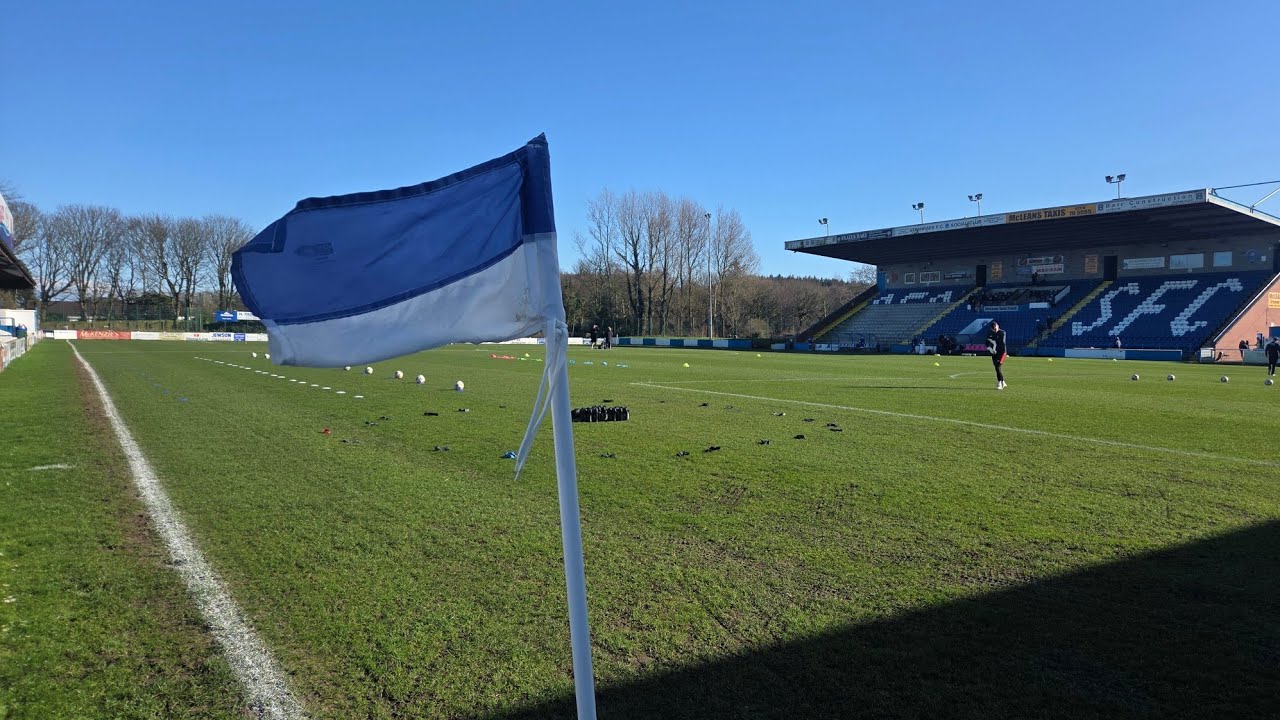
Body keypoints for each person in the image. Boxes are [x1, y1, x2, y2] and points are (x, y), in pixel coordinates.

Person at [987, 321, 1008, 390]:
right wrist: (989, 348)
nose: (995, 329)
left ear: (997, 326)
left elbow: (1002, 342)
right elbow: (987, 342)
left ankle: (1000, 383)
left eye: (995, 327)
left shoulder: (1002, 332)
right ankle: (1003, 381)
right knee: (996, 367)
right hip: (994, 353)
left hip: (1002, 352)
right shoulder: (990, 333)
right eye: (993, 328)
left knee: (998, 366)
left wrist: (994, 344)